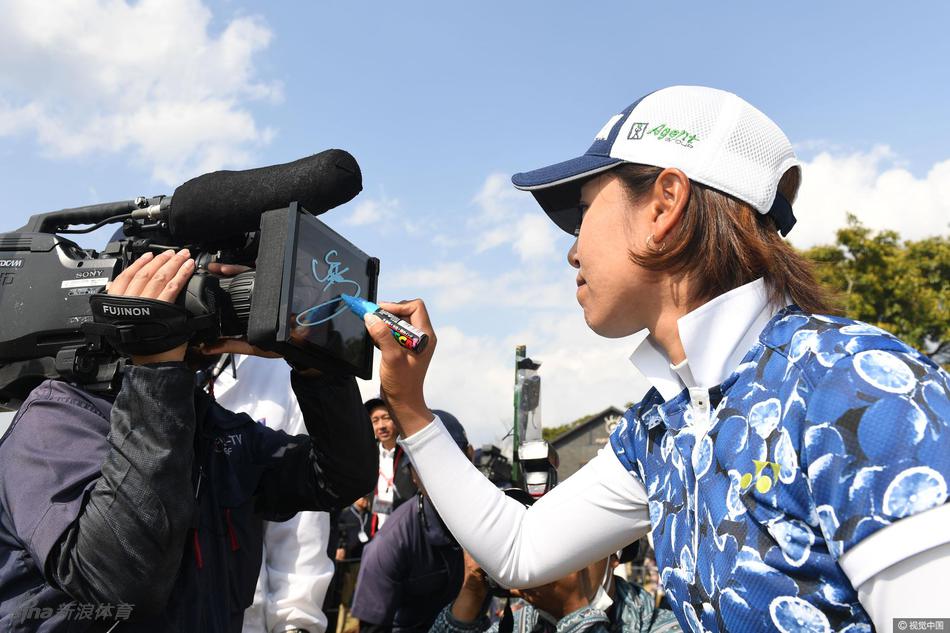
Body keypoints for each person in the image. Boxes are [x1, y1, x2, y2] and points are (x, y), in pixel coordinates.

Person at [359, 86, 950, 631]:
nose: (571, 253)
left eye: (583, 211)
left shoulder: (864, 390)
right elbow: (520, 549)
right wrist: (408, 404)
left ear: (665, 204)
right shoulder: (658, 425)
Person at [0, 253, 377, 632]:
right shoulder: (55, 417)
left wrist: (312, 359)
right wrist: (154, 368)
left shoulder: (210, 427)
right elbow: (121, 583)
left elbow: (339, 478)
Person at [211, 353, 336, 633]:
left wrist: (297, 622)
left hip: (245, 619)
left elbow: (300, 523)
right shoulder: (121, 361)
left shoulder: (280, 371)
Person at [350, 411, 469, 633]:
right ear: (412, 474)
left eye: (449, 458)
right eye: (425, 464)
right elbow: (373, 627)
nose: (440, 473)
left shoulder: (492, 517)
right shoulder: (389, 544)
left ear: (470, 455)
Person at [431, 550, 681, 633]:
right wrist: (473, 588)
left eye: (575, 546)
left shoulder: (670, 627)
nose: (560, 562)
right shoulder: (521, 625)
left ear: (614, 552)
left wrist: (574, 611)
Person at [366, 397, 416, 533]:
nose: (381, 426)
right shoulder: (368, 457)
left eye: (386, 418)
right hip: (379, 533)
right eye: (375, 421)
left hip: (410, 530)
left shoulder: (411, 453)